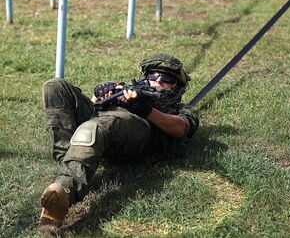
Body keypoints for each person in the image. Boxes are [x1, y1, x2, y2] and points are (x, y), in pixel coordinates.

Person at [38, 53, 199, 234]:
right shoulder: (128, 90)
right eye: (153, 75)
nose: (158, 81)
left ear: (178, 87)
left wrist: (145, 110)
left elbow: (181, 127)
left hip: (131, 132)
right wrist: (97, 96)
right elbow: (94, 110)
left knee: (92, 129)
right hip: (100, 125)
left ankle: (65, 191)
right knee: (54, 86)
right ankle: (70, 163)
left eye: (167, 79)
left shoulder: (180, 109)